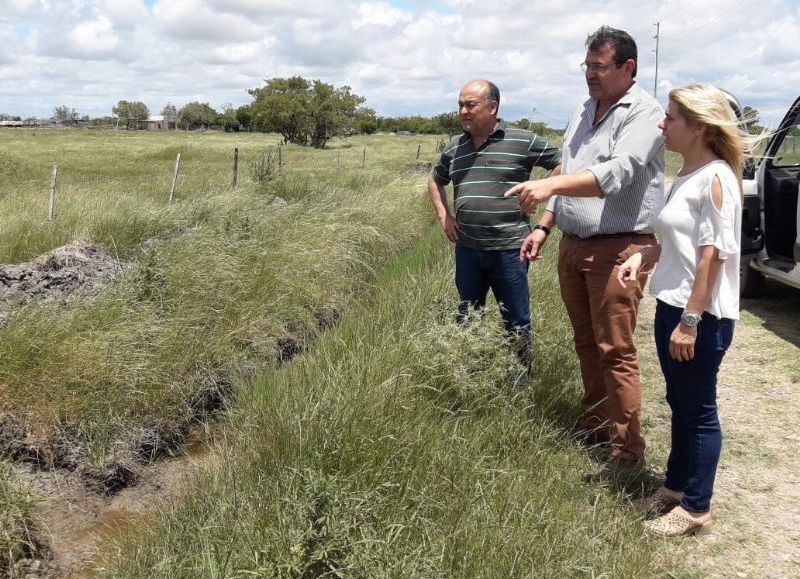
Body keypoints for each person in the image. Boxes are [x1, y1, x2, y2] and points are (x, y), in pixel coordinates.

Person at [504, 26, 665, 477]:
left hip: (619, 248)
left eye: (599, 67)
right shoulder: (584, 108)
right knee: (585, 344)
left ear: (627, 68)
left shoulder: (644, 113)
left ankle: (628, 453)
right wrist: (546, 224)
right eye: (587, 66)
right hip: (574, 245)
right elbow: (569, 168)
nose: (590, 75)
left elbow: (617, 172)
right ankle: (595, 423)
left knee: (615, 348)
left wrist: (549, 186)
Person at [617, 83, 756, 537]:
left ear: (698, 127)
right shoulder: (688, 174)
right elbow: (676, 243)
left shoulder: (717, 178)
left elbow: (712, 256)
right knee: (679, 403)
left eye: (671, 117)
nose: (663, 123)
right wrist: (644, 256)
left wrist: (691, 323)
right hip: (672, 307)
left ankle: (696, 508)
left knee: (698, 411)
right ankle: (675, 488)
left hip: (700, 318)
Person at [428, 79, 561, 370]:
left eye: (470, 105)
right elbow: (435, 181)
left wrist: (542, 189)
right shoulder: (455, 148)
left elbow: (563, 163)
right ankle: (469, 376)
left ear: (493, 107)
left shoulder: (520, 139)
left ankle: (518, 379)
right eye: (460, 105)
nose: (463, 111)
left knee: (516, 319)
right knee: (468, 315)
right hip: (468, 249)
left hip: (510, 249)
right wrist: (444, 217)